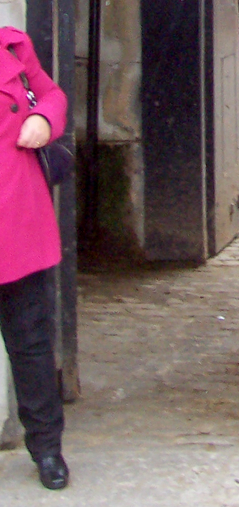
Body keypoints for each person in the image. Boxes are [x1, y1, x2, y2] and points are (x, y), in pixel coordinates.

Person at [0, 26, 69, 491]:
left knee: (31, 344)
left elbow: (52, 95)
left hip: (16, 220)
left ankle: (46, 447)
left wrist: (44, 119)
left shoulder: (12, 46)